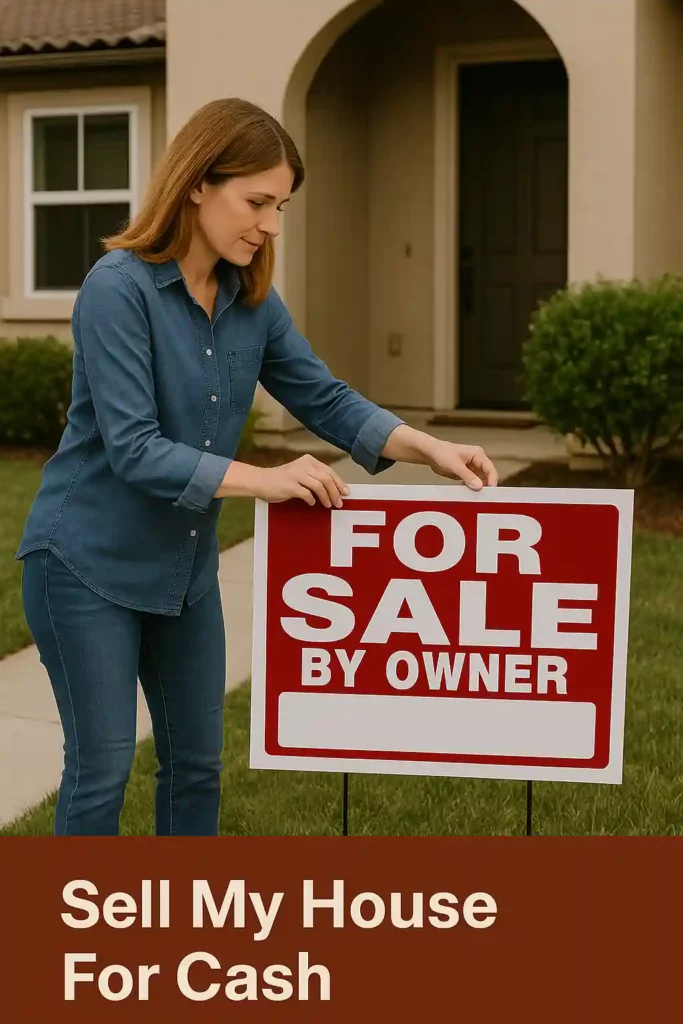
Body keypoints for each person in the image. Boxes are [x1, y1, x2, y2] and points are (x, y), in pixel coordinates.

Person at [15, 97, 499, 837]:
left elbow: (324, 397)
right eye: (257, 202)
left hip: (181, 572)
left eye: (280, 207)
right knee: (102, 767)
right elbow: (134, 447)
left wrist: (427, 447)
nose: (270, 224)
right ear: (198, 184)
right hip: (84, 564)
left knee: (198, 766)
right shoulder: (118, 289)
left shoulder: (252, 301)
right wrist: (265, 480)